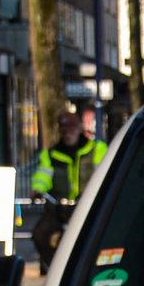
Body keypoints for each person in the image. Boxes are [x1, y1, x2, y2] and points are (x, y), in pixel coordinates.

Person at [29, 104, 107, 275]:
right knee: (39, 234)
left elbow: (103, 172)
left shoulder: (96, 149)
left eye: (71, 130)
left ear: (79, 129)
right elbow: (44, 174)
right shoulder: (51, 154)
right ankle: (55, 270)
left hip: (86, 204)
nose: (68, 134)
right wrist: (37, 188)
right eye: (65, 131)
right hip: (59, 206)